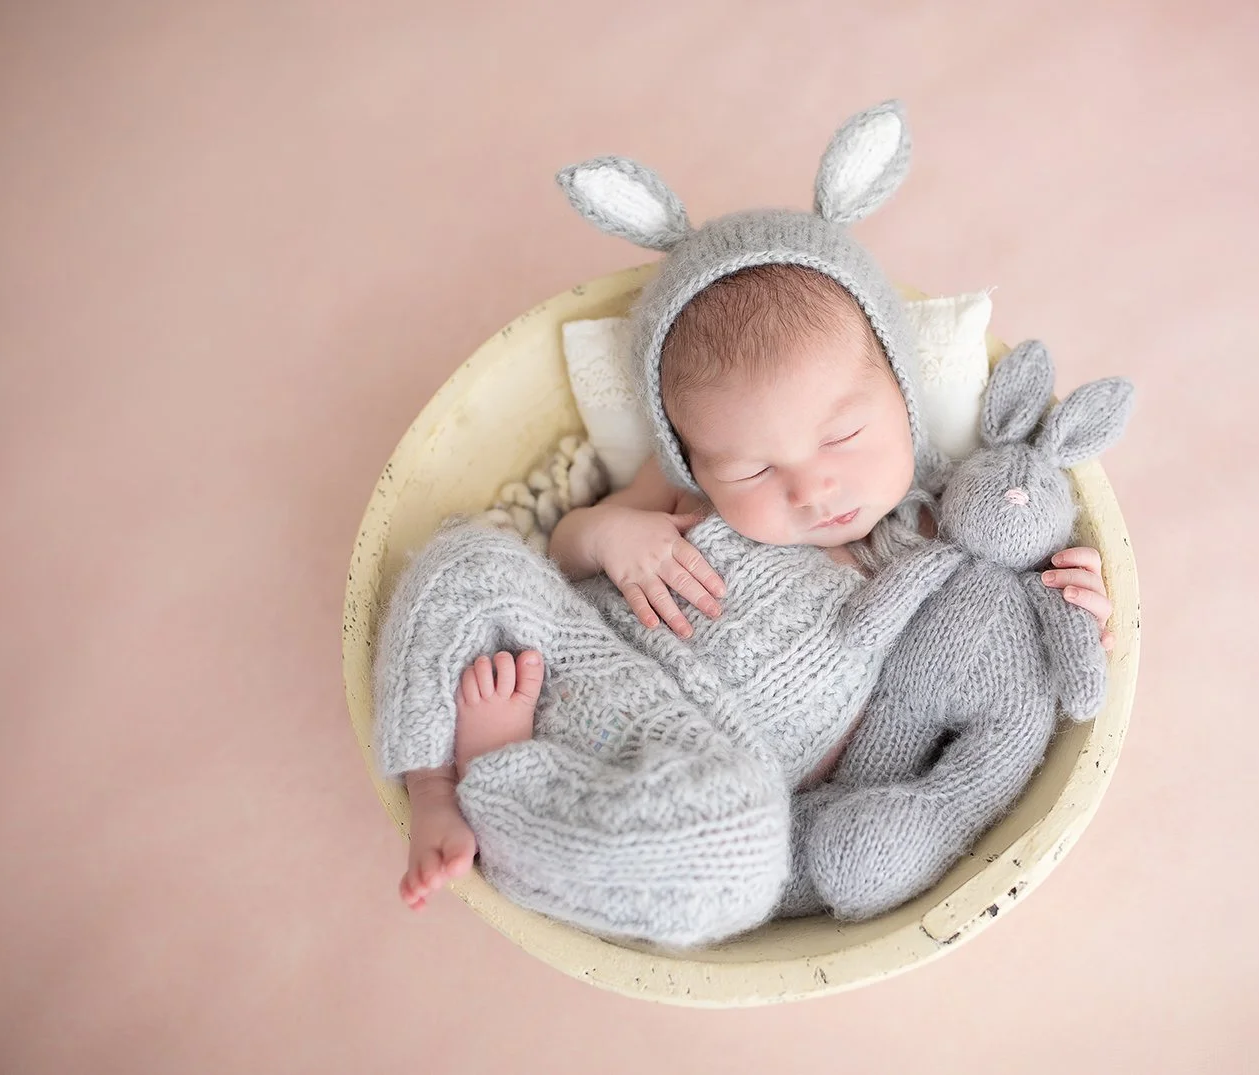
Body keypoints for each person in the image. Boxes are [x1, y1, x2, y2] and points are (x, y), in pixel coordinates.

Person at [374, 103, 1112, 946]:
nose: (811, 487)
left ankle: (508, 793)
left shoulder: (944, 532)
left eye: (843, 435)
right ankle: (433, 783)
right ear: (694, 459)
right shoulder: (679, 492)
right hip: (581, 653)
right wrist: (610, 535)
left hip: (700, 762)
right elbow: (562, 547)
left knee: (740, 848)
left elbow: (997, 653)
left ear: (904, 398)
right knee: (466, 561)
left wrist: (1076, 604)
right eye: (753, 469)